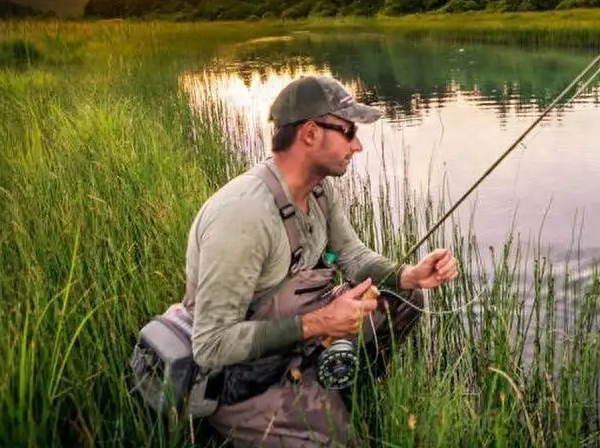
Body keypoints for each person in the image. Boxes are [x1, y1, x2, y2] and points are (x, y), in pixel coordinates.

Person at [181, 73, 460, 447]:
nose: (357, 146)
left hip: (296, 340)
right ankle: (253, 420)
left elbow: (352, 255)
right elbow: (211, 345)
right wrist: (320, 322)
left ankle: (342, 384)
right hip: (241, 376)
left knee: (405, 298)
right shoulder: (242, 215)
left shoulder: (317, 191)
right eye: (348, 131)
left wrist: (409, 275)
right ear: (310, 133)